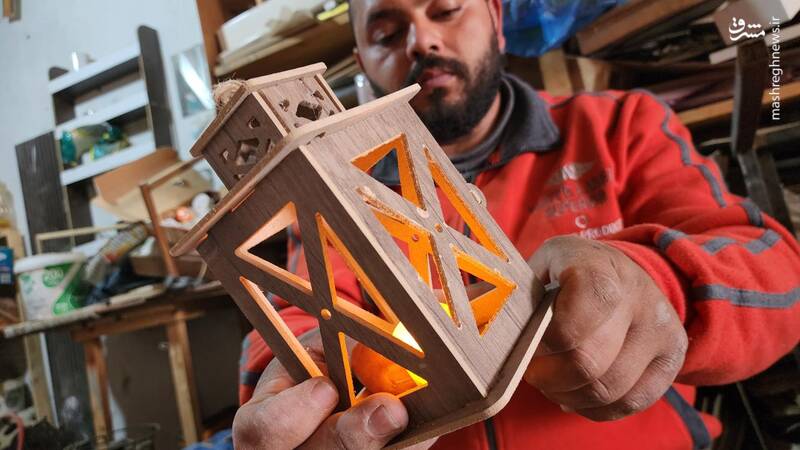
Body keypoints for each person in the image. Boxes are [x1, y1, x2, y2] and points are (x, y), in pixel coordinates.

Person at [232, 0, 800, 447]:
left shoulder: (621, 126)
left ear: (497, 20)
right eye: (385, 33)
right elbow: (291, 318)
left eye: (446, 9)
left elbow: (776, 272)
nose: (421, 41)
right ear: (361, 62)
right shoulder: (338, 197)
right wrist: (292, 382)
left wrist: (658, 285)